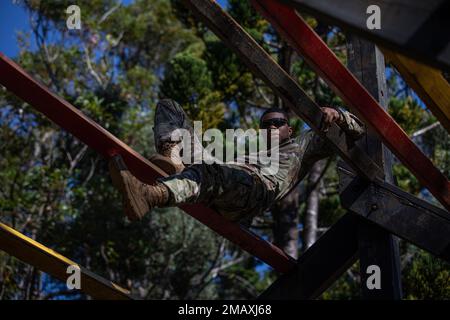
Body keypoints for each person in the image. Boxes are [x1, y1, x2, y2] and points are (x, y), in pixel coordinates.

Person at [109, 99, 364, 223]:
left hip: (256, 190)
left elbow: (360, 133)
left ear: (290, 130)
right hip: (227, 176)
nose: (272, 127)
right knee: (170, 107)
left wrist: (339, 115)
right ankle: (173, 159)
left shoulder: (302, 145)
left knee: (212, 172)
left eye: (279, 123)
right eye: (266, 124)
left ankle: (150, 196)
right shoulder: (250, 152)